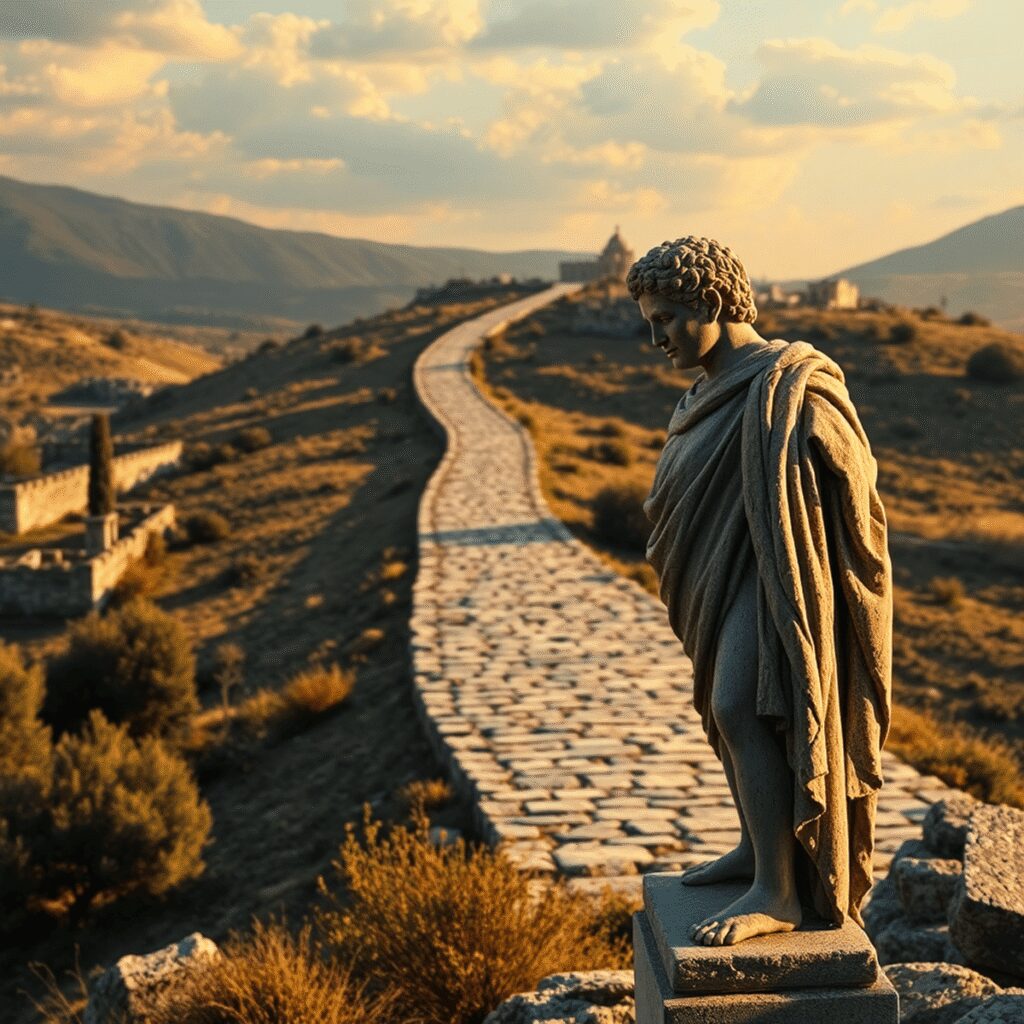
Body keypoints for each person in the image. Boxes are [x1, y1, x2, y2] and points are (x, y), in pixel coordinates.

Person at [627, 237, 892, 947]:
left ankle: (777, 893)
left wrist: (804, 494)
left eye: (667, 320)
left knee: (743, 707)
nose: (655, 340)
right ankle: (757, 849)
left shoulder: (791, 380)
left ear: (711, 303)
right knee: (730, 715)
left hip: (779, 577)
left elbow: (855, 485)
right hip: (718, 577)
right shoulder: (708, 386)